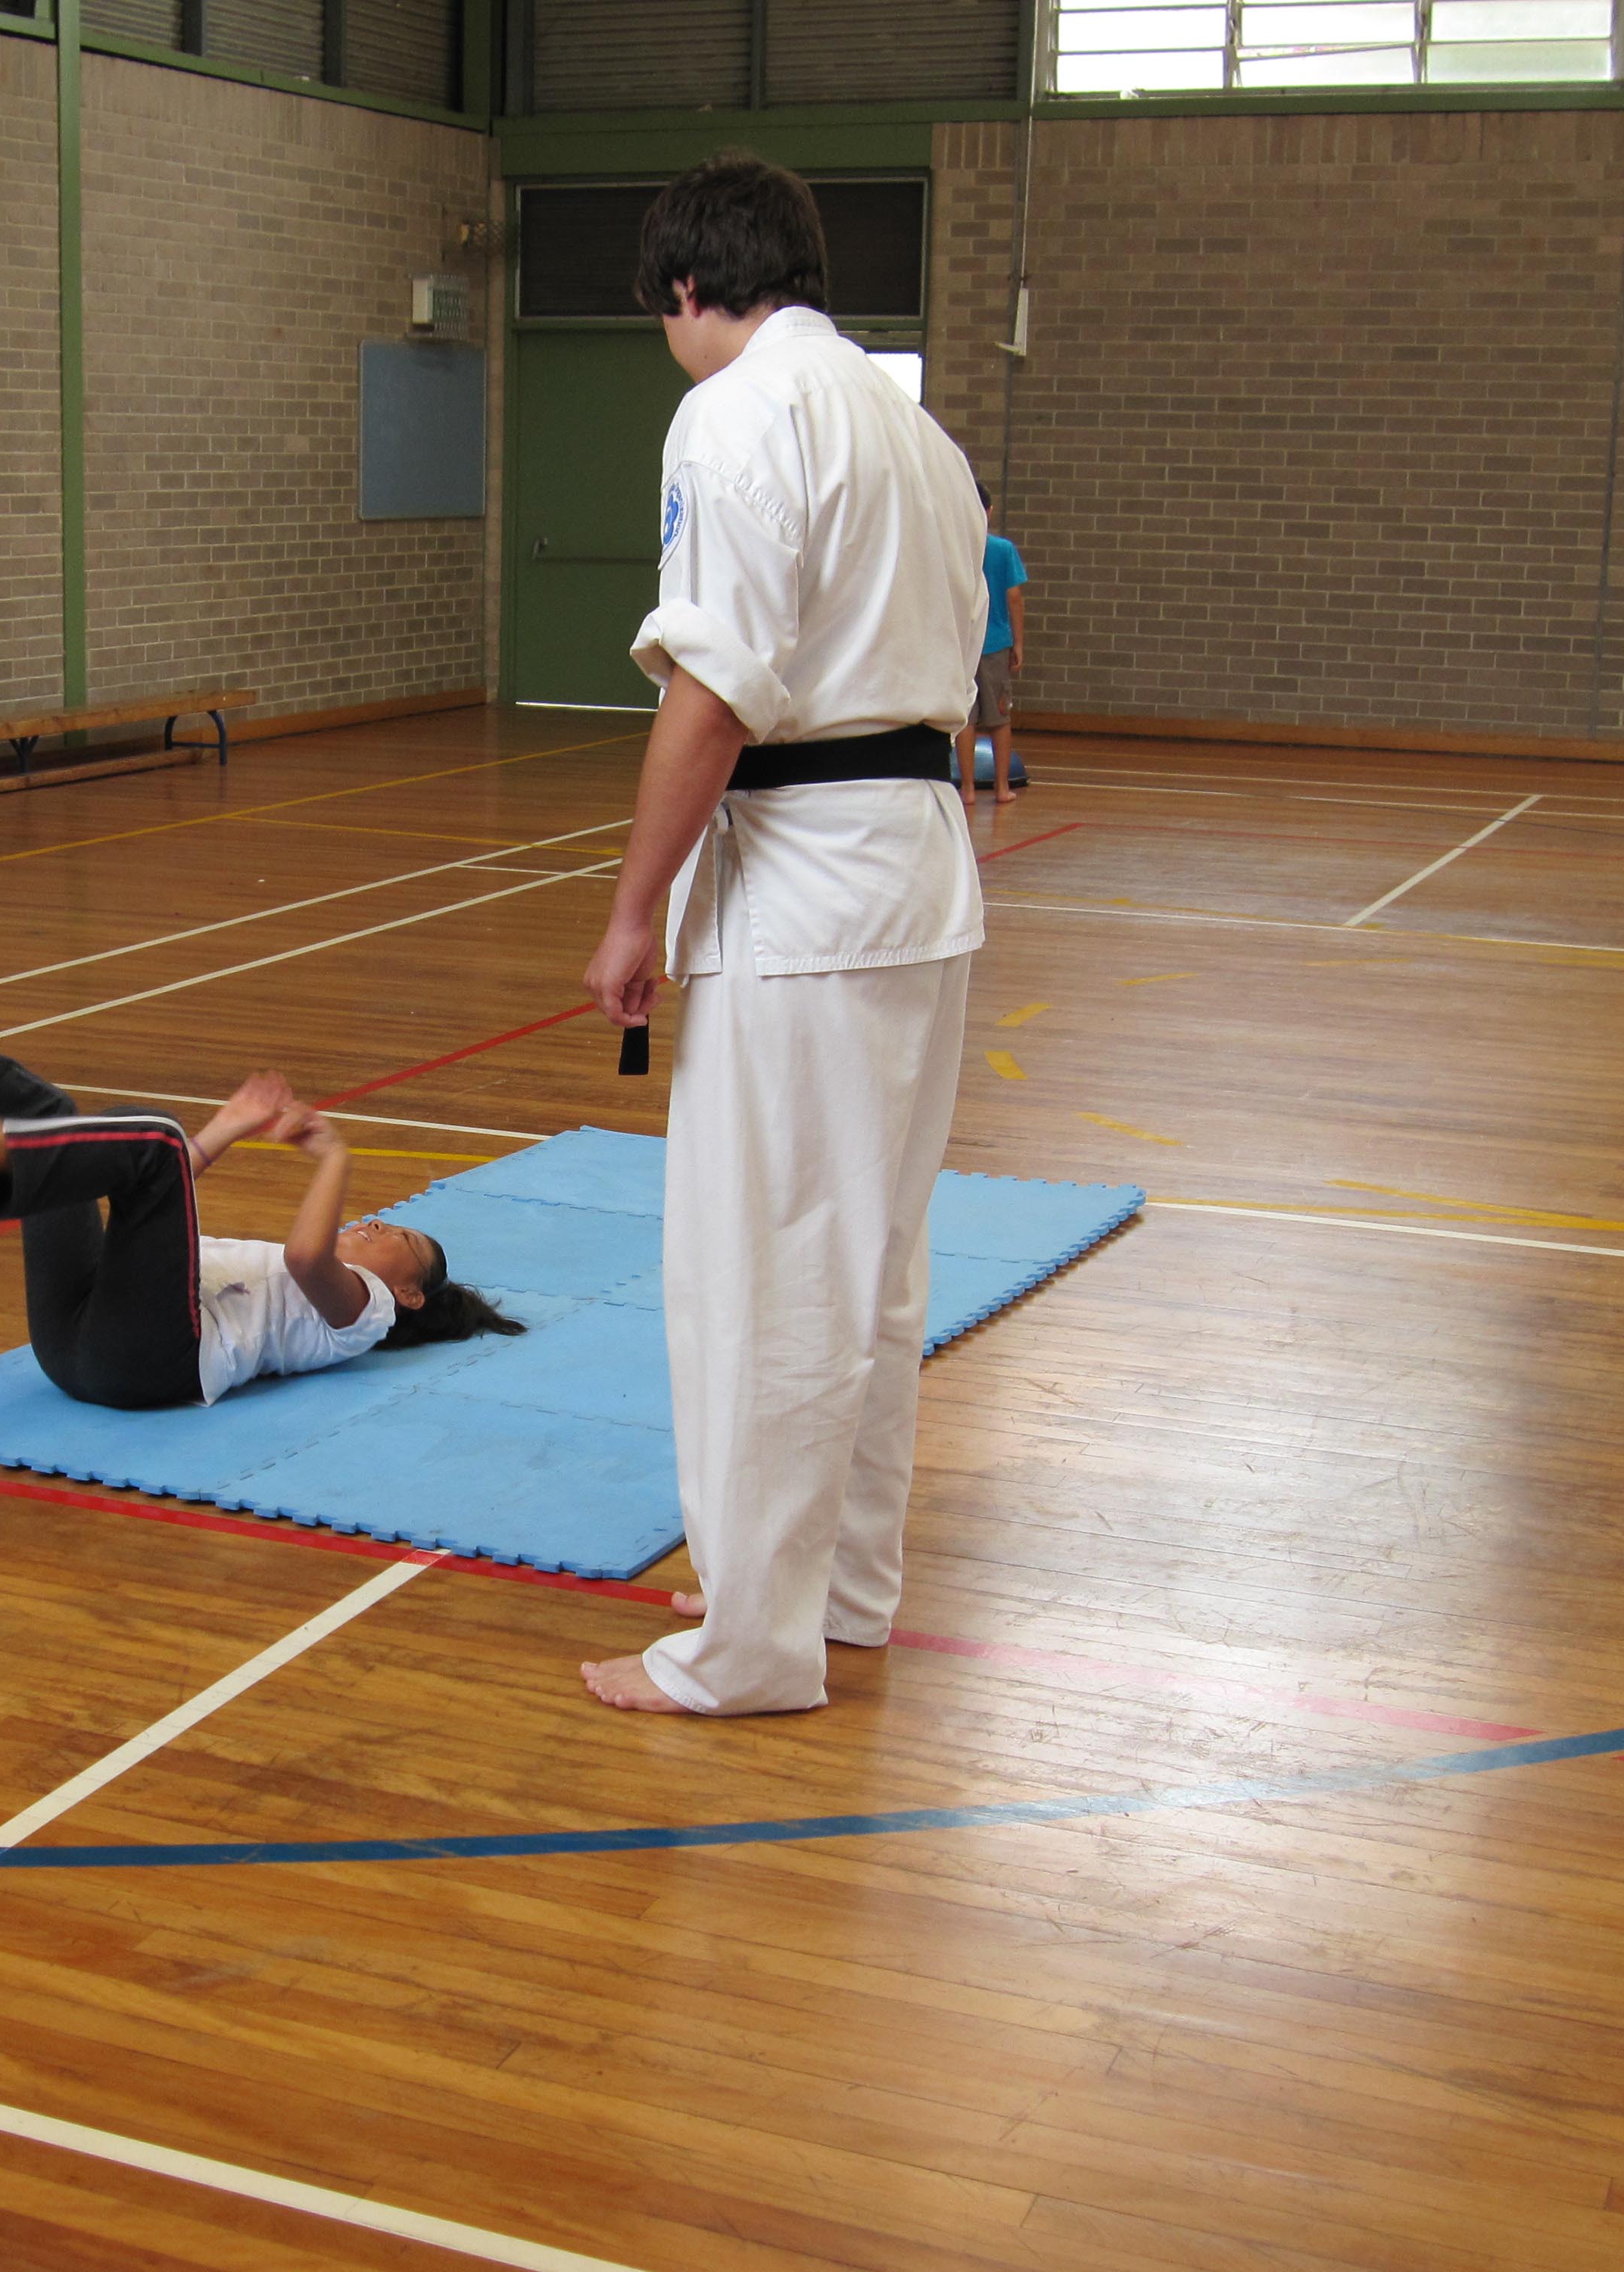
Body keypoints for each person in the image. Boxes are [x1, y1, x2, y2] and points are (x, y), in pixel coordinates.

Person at [579, 153, 989, 1716]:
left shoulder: (738, 409)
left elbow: (716, 690)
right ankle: (837, 1592)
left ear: (688, 288)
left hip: (808, 891)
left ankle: (747, 1645)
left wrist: (633, 908)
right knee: (871, 1260)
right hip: (917, 876)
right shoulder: (916, 431)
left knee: (760, 1268)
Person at [0, 897, 522, 1408]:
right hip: (77, 1339)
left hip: (149, 1365)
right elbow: (149, 1197)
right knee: (55, 1117)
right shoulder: (276, 1272)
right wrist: (226, 1127)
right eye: (387, 1220)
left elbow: (305, 1255)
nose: (376, 1222)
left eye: (399, 1235)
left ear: (408, 1292)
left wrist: (336, 1157)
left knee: (157, 1136)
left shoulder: (366, 1314)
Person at [953, 479, 1030, 807]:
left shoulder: (954, 548)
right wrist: (1019, 644)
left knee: (965, 719)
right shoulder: (1002, 549)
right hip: (995, 644)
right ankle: (1001, 787)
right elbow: (1014, 597)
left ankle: (968, 789)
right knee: (1000, 719)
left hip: (961, 645)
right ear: (990, 511)